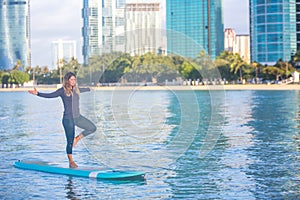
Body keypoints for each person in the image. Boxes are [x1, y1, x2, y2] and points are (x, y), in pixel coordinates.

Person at [28, 72, 97, 168]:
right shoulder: (62, 91)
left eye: (74, 79)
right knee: (69, 141)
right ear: (67, 80)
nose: (73, 81)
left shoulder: (76, 90)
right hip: (68, 119)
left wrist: (90, 88)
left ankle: (77, 139)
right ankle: (71, 161)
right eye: (71, 79)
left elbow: (84, 89)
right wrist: (38, 93)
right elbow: (50, 95)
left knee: (92, 128)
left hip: (77, 117)